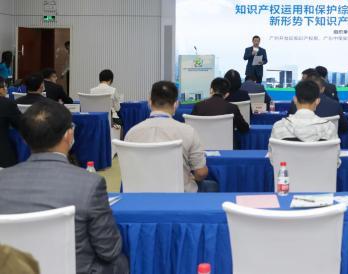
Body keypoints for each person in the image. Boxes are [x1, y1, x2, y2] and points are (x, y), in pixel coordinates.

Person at [0, 100, 129, 274]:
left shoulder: (3, 179)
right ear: (69, 135)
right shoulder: (90, 184)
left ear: (23, 139)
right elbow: (109, 250)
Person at [125, 81, 215, 193]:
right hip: (180, 195)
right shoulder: (188, 131)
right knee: (212, 185)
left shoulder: (131, 133)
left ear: (149, 102)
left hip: (141, 195)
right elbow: (200, 173)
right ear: (176, 104)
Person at [270, 80, 337, 143]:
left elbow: (273, 151)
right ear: (317, 101)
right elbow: (334, 151)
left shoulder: (278, 127)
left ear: (295, 100)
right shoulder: (329, 128)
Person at [191, 77, 250, 145]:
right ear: (227, 94)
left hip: (202, 147)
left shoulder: (198, 106)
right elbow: (244, 129)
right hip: (227, 147)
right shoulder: (232, 108)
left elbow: (191, 128)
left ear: (211, 90)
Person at [0, 76, 22, 168]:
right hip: (3, 158)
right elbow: (21, 124)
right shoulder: (7, 104)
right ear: (1, 89)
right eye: (5, 87)